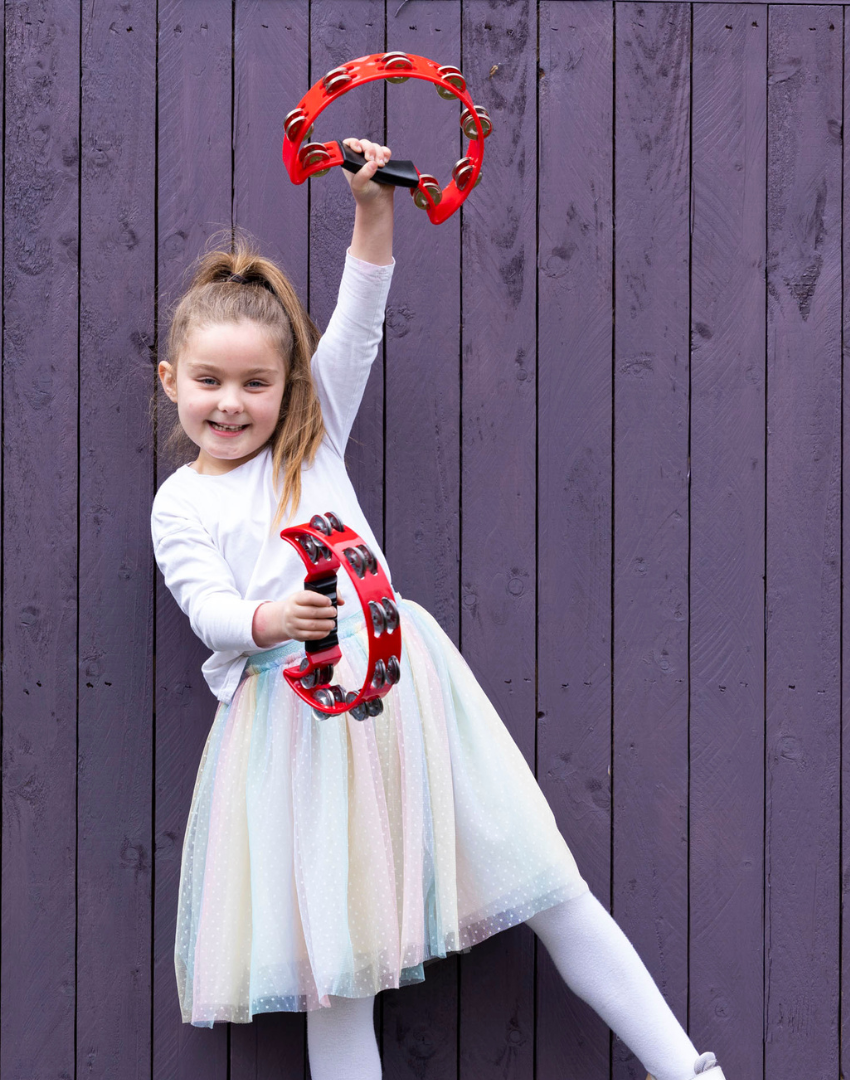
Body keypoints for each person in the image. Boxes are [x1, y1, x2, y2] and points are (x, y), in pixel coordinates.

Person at [150, 141, 721, 1080]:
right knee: (340, 971)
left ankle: (688, 1072)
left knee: (550, 883)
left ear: (289, 386)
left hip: (409, 704)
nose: (231, 403)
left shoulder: (313, 437)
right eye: (209, 381)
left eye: (256, 383)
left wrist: (373, 207)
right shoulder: (184, 502)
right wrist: (270, 622)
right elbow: (208, 607)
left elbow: (362, 310)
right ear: (172, 380)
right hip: (296, 733)